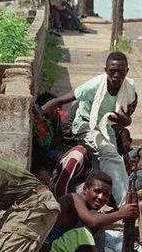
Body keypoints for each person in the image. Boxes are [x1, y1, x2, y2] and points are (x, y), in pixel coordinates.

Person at [40, 52, 136, 209]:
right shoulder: (93, 86)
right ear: (106, 70)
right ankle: (125, 203)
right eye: (112, 71)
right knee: (110, 154)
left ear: (127, 71)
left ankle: (87, 207)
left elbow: (128, 117)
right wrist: (38, 111)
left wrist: (123, 119)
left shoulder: (129, 87)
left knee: (100, 173)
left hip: (106, 128)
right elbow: (60, 100)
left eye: (121, 71)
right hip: (85, 126)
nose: (116, 75)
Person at [29, 171, 137, 252]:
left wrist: (123, 211)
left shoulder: (86, 207)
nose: (101, 197)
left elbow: (97, 218)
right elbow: (93, 221)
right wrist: (121, 214)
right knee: (96, 230)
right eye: (97, 191)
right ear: (85, 189)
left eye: (106, 195)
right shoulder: (73, 198)